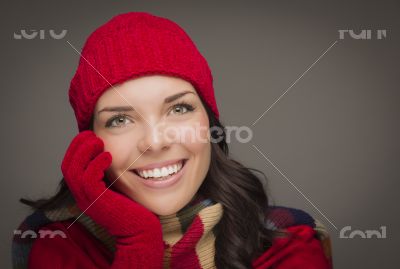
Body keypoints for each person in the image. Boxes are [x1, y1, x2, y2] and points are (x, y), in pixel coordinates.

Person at [12, 12, 333, 269]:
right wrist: (139, 242)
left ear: (209, 123)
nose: (154, 142)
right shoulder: (57, 243)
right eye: (120, 119)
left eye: (179, 108)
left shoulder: (286, 243)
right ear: (90, 142)